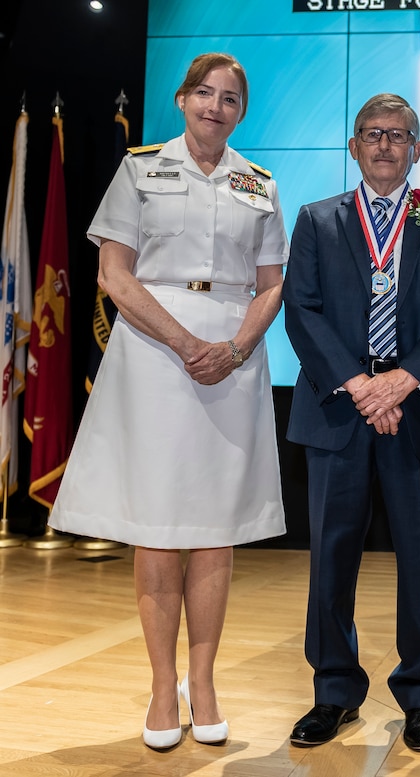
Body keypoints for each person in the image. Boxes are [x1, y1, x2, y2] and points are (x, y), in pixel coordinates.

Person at [48, 52, 287, 750]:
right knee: (157, 525)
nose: (216, 106)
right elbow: (114, 276)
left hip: (233, 360)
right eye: (205, 93)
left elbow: (271, 283)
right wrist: (185, 342)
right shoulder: (139, 168)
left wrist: (235, 349)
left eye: (231, 98)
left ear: (242, 111)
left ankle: (203, 681)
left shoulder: (259, 182)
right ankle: (161, 685)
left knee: (214, 527)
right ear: (183, 99)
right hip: (155, 354)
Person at [282, 93, 420, 752]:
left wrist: (401, 379)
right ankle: (333, 689)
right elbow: (303, 310)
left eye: (398, 134)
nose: (385, 144)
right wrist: (362, 385)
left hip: (419, 407)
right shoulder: (316, 219)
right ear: (354, 147)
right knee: (331, 558)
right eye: (372, 133)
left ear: (417, 148)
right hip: (341, 408)